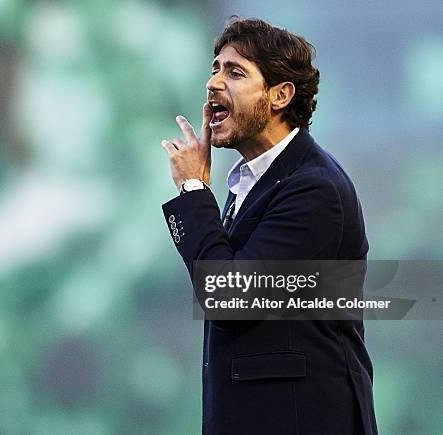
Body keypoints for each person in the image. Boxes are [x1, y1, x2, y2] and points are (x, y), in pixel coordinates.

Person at [160, 17, 377, 434]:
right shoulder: (252, 182)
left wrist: (192, 188)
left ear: (280, 95)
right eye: (214, 69)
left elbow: (230, 300)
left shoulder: (314, 188)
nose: (212, 84)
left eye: (235, 72)